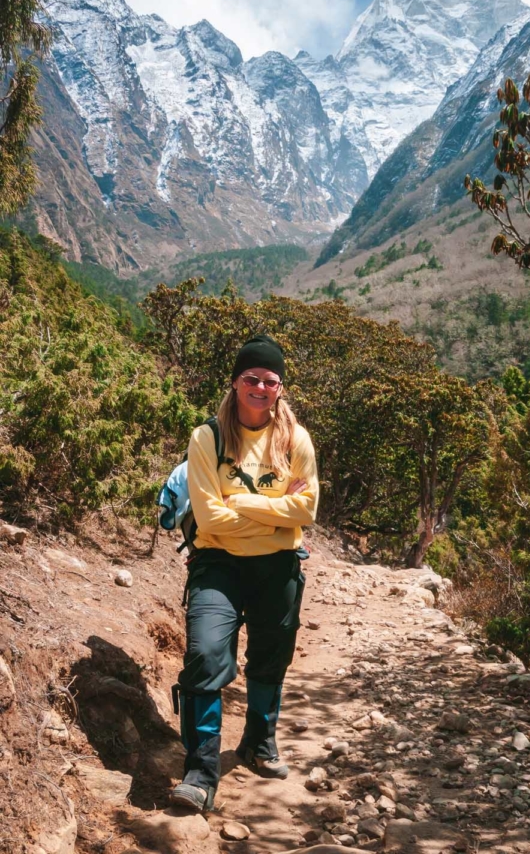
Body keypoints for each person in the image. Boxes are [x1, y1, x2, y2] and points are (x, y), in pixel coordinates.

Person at [169, 334, 319, 813]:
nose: (260, 386)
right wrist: (278, 513)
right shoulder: (207, 438)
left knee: (271, 655)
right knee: (206, 652)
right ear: (235, 383)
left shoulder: (295, 439)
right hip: (218, 563)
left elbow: (308, 508)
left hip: (279, 566)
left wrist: (243, 501)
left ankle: (258, 740)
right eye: (251, 378)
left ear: (279, 388)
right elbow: (210, 520)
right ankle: (201, 769)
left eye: (269, 380)